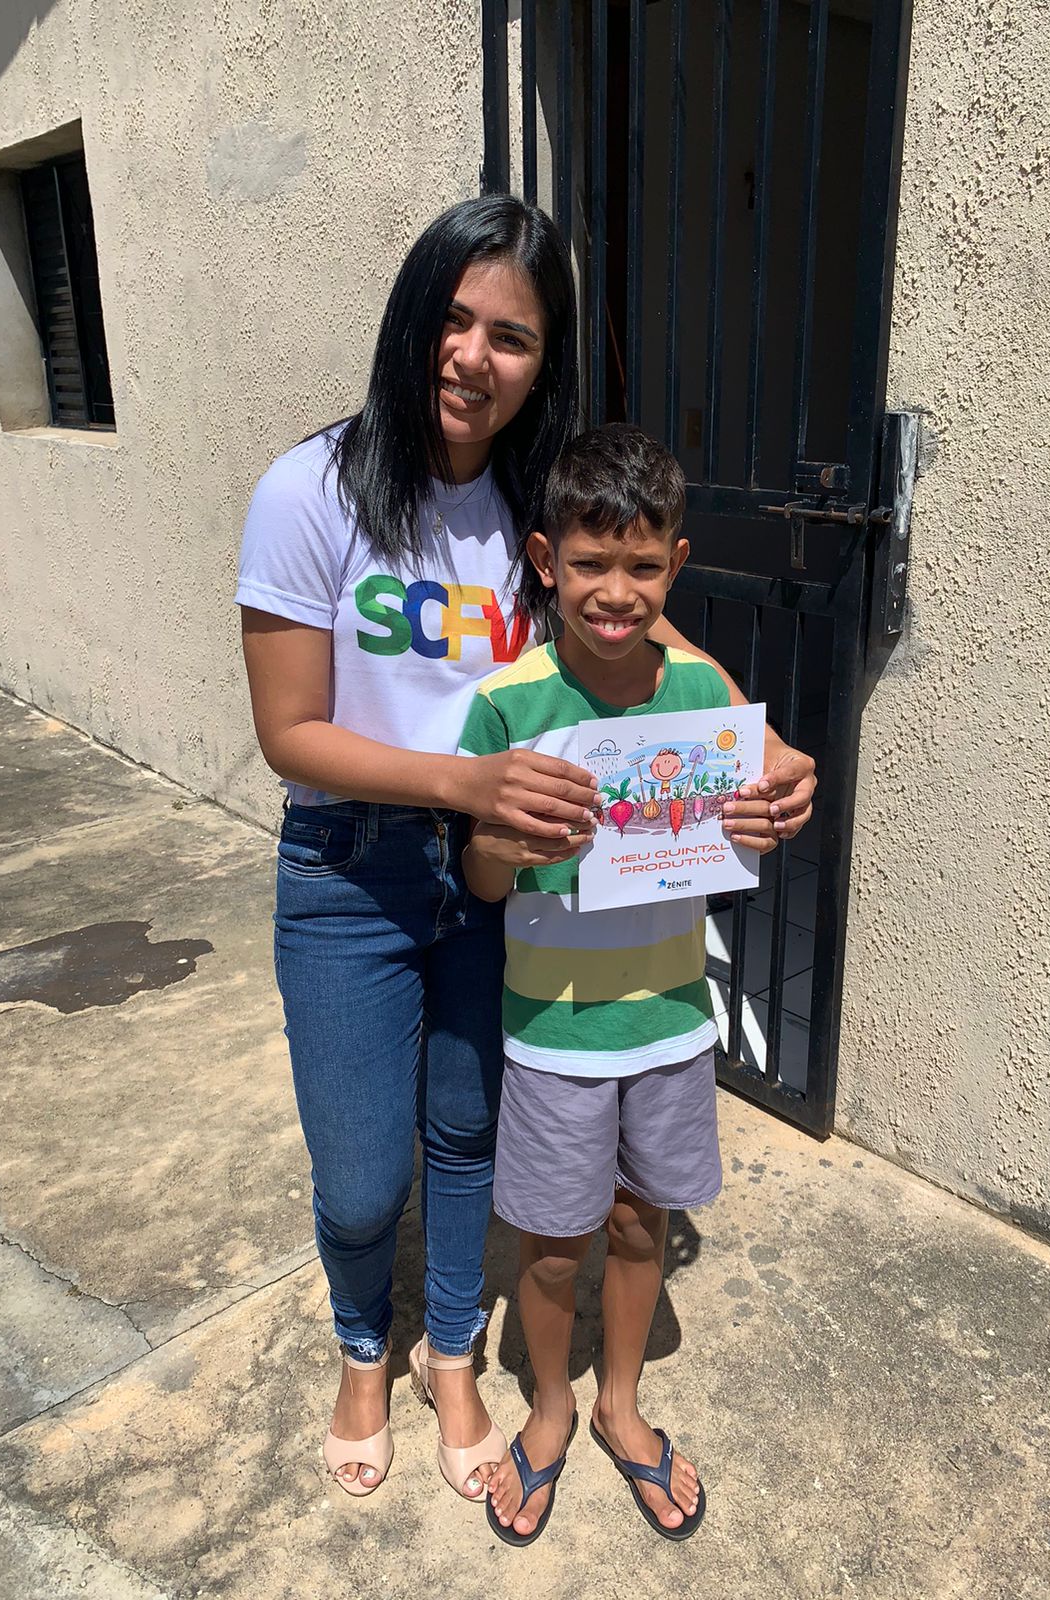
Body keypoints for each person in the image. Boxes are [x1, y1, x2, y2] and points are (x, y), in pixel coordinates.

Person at [236, 196, 815, 1506]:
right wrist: (468, 782)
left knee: (467, 1134)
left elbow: (642, 630)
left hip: (504, 868)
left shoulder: (530, 503)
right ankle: (360, 1346)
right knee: (361, 1176)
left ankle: (449, 1353)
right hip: (353, 869)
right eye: (453, 318)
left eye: (511, 336)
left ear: (543, 361)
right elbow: (289, 732)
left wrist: (757, 744)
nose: (472, 357)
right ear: (412, 316)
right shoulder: (308, 490)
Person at [459, 423, 772, 1544]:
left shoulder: (701, 693)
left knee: (642, 1225)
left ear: (676, 565)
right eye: (590, 562)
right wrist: (503, 838)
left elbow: (745, 816)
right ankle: (550, 1406)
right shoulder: (507, 703)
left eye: (643, 565)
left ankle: (619, 1404)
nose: (616, 591)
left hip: (673, 1020)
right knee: (551, 1245)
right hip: (553, 1029)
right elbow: (481, 880)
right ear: (546, 561)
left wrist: (755, 820)